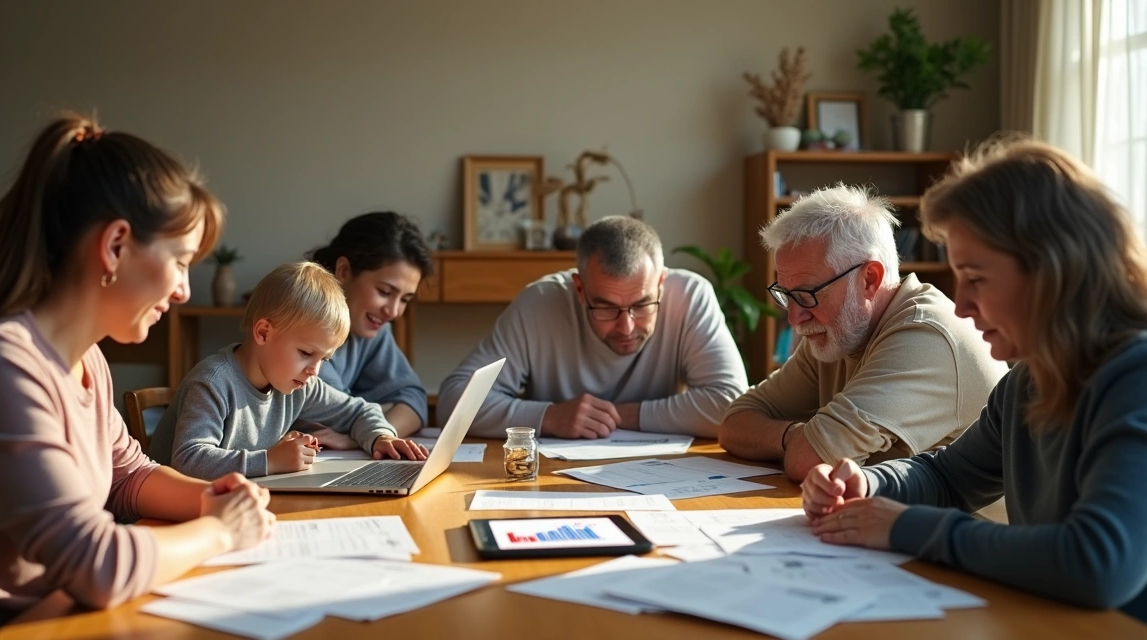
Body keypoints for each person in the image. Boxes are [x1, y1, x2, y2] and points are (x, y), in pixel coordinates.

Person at [0, 115, 275, 637]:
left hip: (59, 618)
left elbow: (127, 475)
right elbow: (97, 566)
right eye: (181, 261)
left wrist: (214, 498)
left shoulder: (88, 359)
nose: (183, 290)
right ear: (115, 245)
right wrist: (221, 530)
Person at [801, 140, 1147, 620]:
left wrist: (904, 527)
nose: (961, 305)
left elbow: (1098, 563)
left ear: (1053, 272)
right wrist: (867, 482)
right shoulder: (1027, 381)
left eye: (976, 278)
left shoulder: (1135, 377)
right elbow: (947, 477)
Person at [717, 185, 1006, 481]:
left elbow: (810, 460)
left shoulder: (926, 335)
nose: (794, 317)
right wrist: (794, 436)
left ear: (869, 279)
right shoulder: (837, 334)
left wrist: (805, 441)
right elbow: (734, 422)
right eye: (787, 295)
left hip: (950, 513)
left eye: (807, 294)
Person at [438, 216, 747, 439]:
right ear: (580, 289)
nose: (626, 327)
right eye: (606, 307)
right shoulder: (539, 302)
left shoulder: (691, 296)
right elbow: (454, 403)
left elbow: (729, 403)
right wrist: (550, 417)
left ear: (661, 283)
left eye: (642, 304)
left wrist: (616, 416)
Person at [149, 262, 428, 480]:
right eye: (306, 353)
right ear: (263, 332)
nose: (314, 371)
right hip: (174, 514)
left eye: (324, 359)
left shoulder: (300, 385)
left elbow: (359, 412)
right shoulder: (213, 383)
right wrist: (270, 460)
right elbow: (188, 460)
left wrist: (381, 437)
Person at [307, 211, 433, 437]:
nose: (393, 312)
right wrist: (370, 432)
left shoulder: (371, 326)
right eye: (384, 292)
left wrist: (375, 435)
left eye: (405, 299)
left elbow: (415, 401)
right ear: (343, 271)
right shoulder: (300, 324)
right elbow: (334, 417)